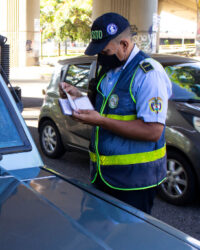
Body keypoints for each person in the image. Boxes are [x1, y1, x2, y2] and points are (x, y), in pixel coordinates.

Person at [59, 13, 172, 214]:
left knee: (129, 241)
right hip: (103, 177)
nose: (101, 57)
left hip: (135, 182)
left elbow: (153, 131)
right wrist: (76, 97)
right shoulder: (111, 70)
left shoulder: (148, 74)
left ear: (125, 45)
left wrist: (101, 121)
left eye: (105, 51)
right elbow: (106, 112)